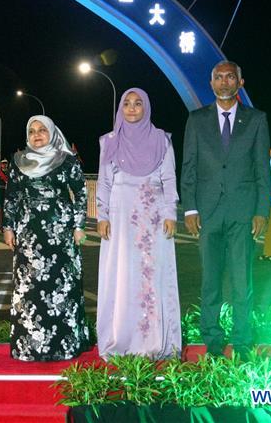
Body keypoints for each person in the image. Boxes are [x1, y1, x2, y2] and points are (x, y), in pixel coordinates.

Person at [181, 61, 270, 356]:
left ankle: (243, 342)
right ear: (211, 84)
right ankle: (213, 341)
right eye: (218, 77)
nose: (224, 82)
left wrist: (262, 210)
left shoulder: (256, 120)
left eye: (230, 77)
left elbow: (261, 167)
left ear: (240, 82)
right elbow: (189, 167)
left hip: (243, 213)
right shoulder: (196, 120)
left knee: (241, 280)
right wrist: (190, 209)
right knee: (210, 281)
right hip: (207, 214)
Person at [95, 88, 180, 359]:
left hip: (152, 217)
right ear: (121, 108)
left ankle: (154, 341)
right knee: (121, 276)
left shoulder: (161, 140)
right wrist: (102, 215)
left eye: (138, 104)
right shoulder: (109, 141)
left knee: (151, 277)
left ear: (147, 108)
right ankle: (121, 339)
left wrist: (170, 213)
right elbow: (104, 181)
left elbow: (168, 179)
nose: (132, 109)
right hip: (120, 217)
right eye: (127, 104)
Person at [2, 115, 89, 361]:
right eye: (32, 131)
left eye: (42, 130)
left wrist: (78, 225)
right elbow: (12, 196)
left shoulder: (66, 159)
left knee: (62, 287)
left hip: (60, 232)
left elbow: (80, 192)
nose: (37, 135)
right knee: (29, 290)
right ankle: (29, 347)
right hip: (29, 235)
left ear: (52, 133)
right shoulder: (19, 161)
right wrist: (8, 227)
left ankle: (64, 346)